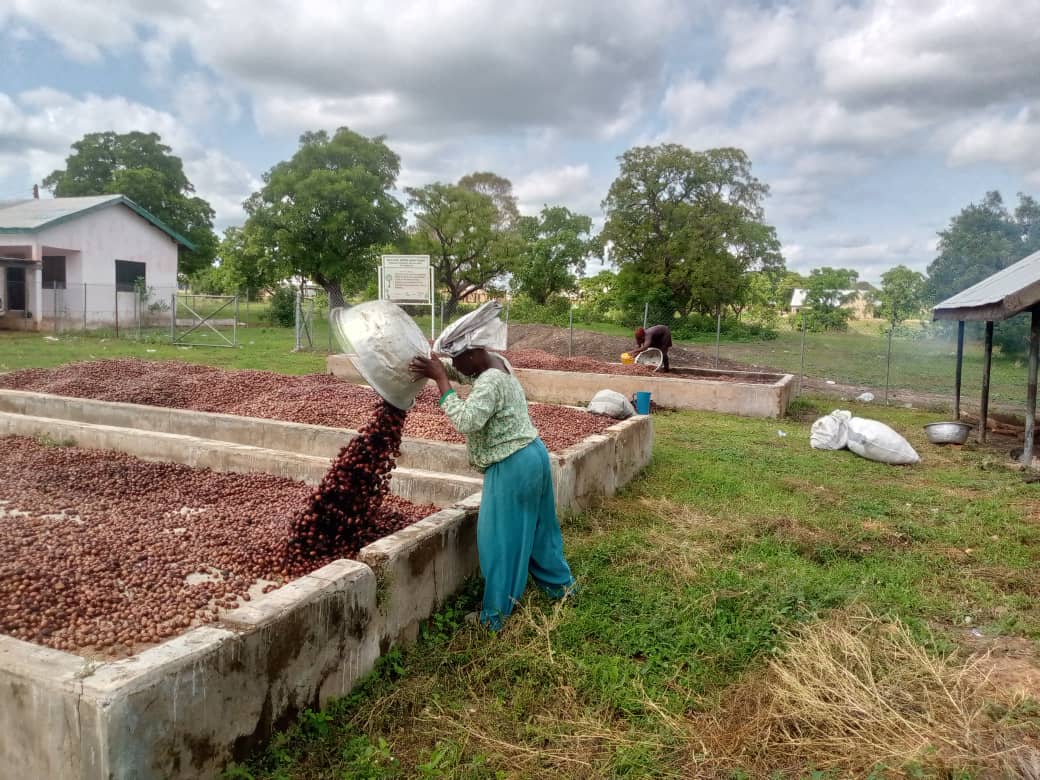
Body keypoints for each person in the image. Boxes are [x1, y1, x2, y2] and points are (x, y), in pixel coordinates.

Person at [410, 344, 576, 631]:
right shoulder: (497, 364)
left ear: (474, 354)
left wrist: (440, 380)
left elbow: (466, 421)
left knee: (499, 542)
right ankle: (562, 588)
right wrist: (441, 366)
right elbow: (466, 374)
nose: (456, 365)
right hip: (534, 454)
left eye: (457, 359)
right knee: (539, 530)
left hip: (512, 465)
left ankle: (494, 617)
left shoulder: (489, 381)